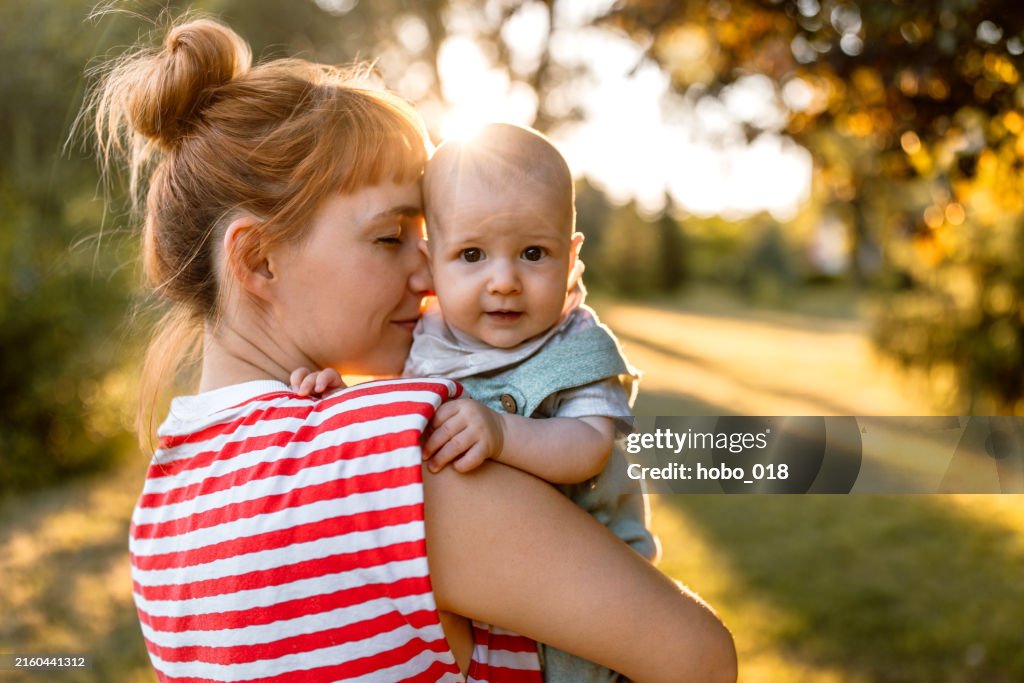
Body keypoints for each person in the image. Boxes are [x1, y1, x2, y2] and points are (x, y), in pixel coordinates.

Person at [91, 17, 737, 683]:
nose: (430, 276)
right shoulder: (410, 460)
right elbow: (699, 658)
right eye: (390, 237)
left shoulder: (161, 510)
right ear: (259, 260)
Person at [297, 123, 656, 682]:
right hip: (488, 604)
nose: (504, 280)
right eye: (472, 254)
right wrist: (343, 398)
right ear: (430, 264)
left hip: (594, 599)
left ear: (571, 258)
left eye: (533, 253)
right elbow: (393, 411)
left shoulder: (576, 345)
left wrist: (503, 433)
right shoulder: (428, 338)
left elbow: (587, 447)